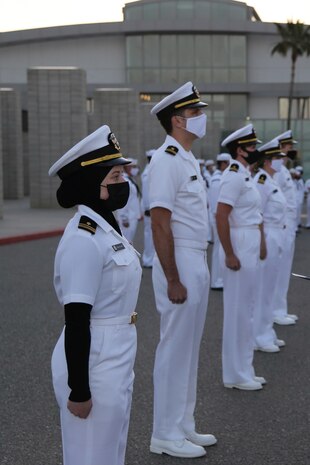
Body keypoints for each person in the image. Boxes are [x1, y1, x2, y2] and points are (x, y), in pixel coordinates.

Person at [48, 125, 142, 465]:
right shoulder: (83, 240)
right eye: (114, 176)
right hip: (93, 359)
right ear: (91, 184)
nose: (122, 183)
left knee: (109, 454)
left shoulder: (106, 226)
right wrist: (79, 390)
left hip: (115, 351)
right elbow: (76, 318)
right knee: (90, 456)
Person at [148, 81, 216, 459]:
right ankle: (164, 433)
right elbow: (160, 222)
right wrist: (173, 277)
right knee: (174, 348)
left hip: (196, 258)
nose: (202, 118)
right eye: (195, 113)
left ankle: (183, 423)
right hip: (180, 261)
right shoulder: (167, 159)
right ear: (177, 120)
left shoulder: (187, 159)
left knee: (189, 349)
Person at [216, 124, 267, 391]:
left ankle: (245, 368)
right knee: (237, 310)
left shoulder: (245, 174)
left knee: (247, 309)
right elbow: (221, 215)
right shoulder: (233, 175)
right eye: (251, 147)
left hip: (249, 238)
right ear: (239, 150)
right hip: (239, 240)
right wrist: (229, 253)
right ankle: (234, 373)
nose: (255, 150)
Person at [253, 138, 287, 353]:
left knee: (270, 288)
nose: (280, 162)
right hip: (267, 236)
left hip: (278, 235)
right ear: (267, 160)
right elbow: (259, 215)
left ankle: (267, 331)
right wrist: (262, 243)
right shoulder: (261, 181)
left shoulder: (272, 180)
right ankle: (259, 336)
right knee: (263, 289)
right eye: (276, 158)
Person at [273, 130, 299, 325]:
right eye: (288, 146)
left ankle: (280, 308)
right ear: (281, 147)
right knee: (278, 271)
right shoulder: (277, 171)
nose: (291, 149)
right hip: (282, 226)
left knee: (284, 270)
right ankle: (275, 311)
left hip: (288, 226)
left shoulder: (283, 169)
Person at [209, 153, 231, 290]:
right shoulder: (217, 180)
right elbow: (216, 206)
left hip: (219, 218)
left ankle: (219, 279)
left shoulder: (221, 177)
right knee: (218, 249)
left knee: (220, 248)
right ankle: (217, 280)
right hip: (217, 218)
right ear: (222, 164)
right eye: (228, 164)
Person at [117, 158, 143, 243]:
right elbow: (123, 200)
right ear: (127, 168)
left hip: (132, 216)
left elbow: (134, 199)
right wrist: (124, 218)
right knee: (126, 242)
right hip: (127, 218)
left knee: (129, 242)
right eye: (133, 167)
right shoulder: (124, 181)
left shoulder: (130, 180)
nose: (136, 169)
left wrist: (138, 214)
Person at [141, 149, 156, 267]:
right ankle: (148, 259)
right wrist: (147, 208)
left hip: (152, 208)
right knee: (149, 236)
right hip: (149, 209)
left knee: (152, 235)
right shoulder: (147, 174)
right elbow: (146, 193)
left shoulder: (151, 171)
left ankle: (151, 258)